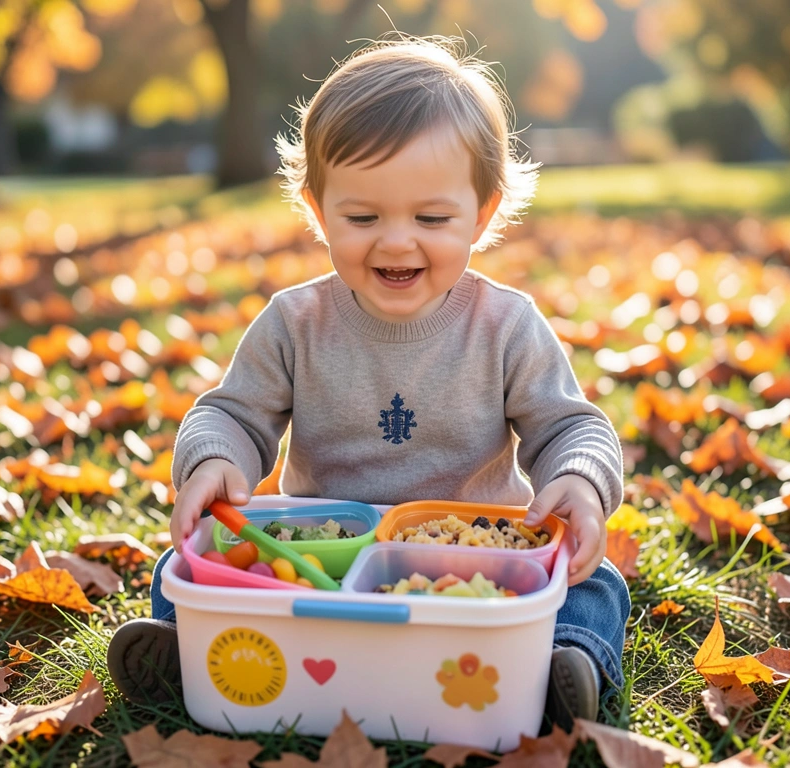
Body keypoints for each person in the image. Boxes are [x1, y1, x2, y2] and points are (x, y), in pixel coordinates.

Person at [108, 35, 630, 731]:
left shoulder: (505, 324)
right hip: (317, 554)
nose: (395, 242)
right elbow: (231, 413)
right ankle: (185, 652)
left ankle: (570, 664)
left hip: (467, 556)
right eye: (362, 217)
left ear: (481, 213)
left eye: (431, 218)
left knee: (594, 584)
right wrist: (213, 460)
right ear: (319, 210)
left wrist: (581, 481)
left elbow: (573, 425)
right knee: (186, 564)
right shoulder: (295, 322)